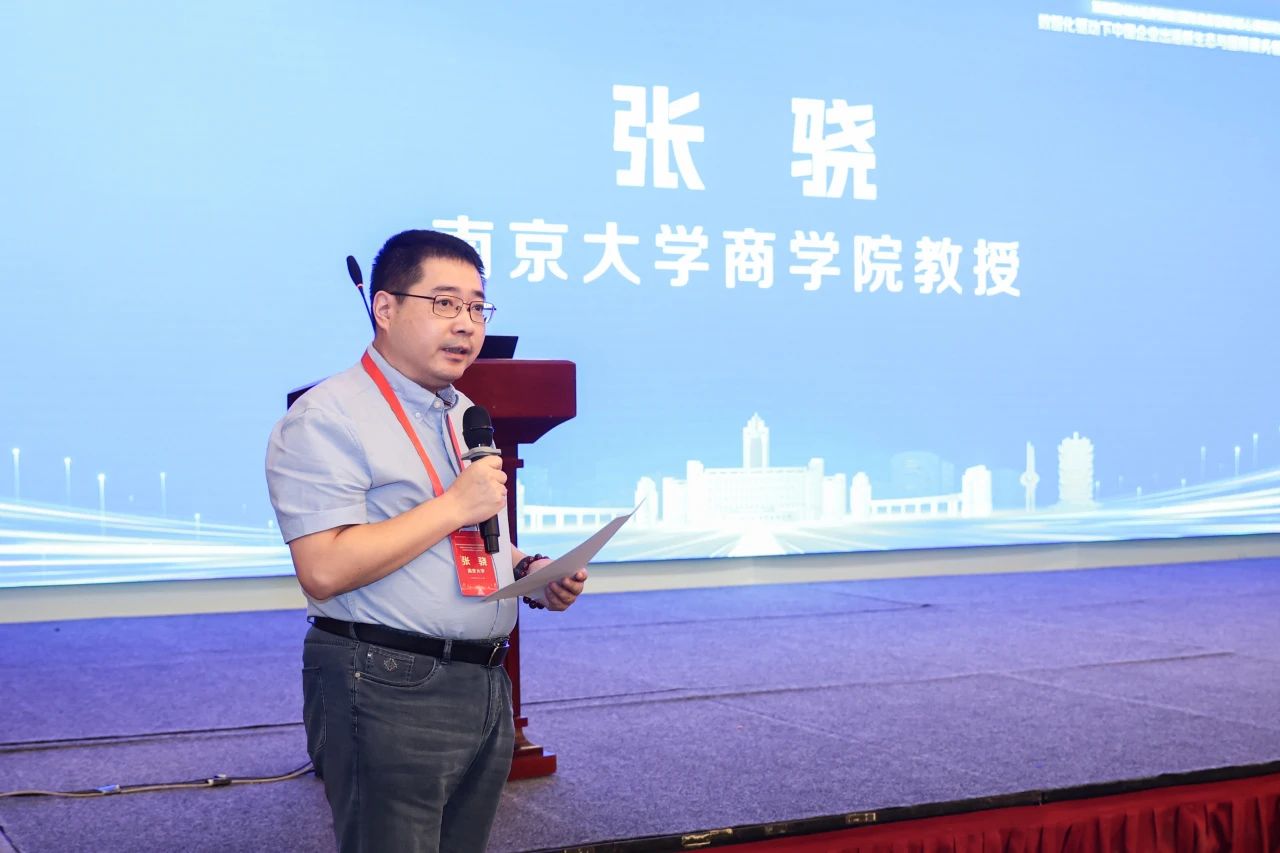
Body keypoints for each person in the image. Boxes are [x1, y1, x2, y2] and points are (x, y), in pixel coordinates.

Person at [265, 228, 587, 852]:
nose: (466, 324)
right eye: (444, 303)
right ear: (384, 308)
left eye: (477, 306)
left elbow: (465, 534)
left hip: (482, 682)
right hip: (384, 682)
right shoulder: (326, 419)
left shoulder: (462, 412)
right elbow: (323, 568)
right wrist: (454, 505)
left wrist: (530, 571)